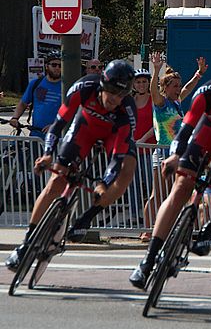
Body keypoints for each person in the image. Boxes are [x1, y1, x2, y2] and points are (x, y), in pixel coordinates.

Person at [129, 63, 211, 289]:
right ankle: (148, 260)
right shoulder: (205, 95)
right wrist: (174, 156)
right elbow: (185, 132)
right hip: (207, 134)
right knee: (180, 188)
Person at [5, 59, 138, 270]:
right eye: (111, 91)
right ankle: (26, 244)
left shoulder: (126, 112)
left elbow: (117, 156)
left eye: (121, 95)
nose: (114, 99)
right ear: (102, 85)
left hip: (113, 135)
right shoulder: (84, 88)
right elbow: (58, 126)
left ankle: (88, 217)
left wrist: (104, 183)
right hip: (85, 128)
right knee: (56, 180)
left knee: (126, 171)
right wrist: (48, 154)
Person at [143, 52, 208, 232]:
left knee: (176, 193)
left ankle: (168, 227)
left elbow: (188, 88)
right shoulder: (161, 102)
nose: (178, 89)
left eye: (178, 86)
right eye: (174, 86)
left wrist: (199, 74)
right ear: (166, 87)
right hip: (163, 153)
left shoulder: (177, 102)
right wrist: (156, 71)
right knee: (158, 194)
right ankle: (147, 229)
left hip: (176, 154)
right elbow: (153, 91)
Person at [9, 51, 62, 140]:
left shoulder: (67, 86)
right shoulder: (36, 83)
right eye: (54, 65)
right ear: (46, 66)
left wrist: (56, 126)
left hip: (58, 138)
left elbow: (73, 112)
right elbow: (23, 103)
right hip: (36, 136)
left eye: (60, 66)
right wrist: (15, 118)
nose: (57, 68)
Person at [129, 68, 156, 239]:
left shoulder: (153, 100)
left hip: (150, 148)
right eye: (138, 82)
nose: (141, 85)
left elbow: (156, 124)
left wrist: (143, 139)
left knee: (151, 184)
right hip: (133, 148)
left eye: (144, 81)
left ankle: (151, 218)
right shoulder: (130, 101)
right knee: (133, 184)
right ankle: (134, 216)